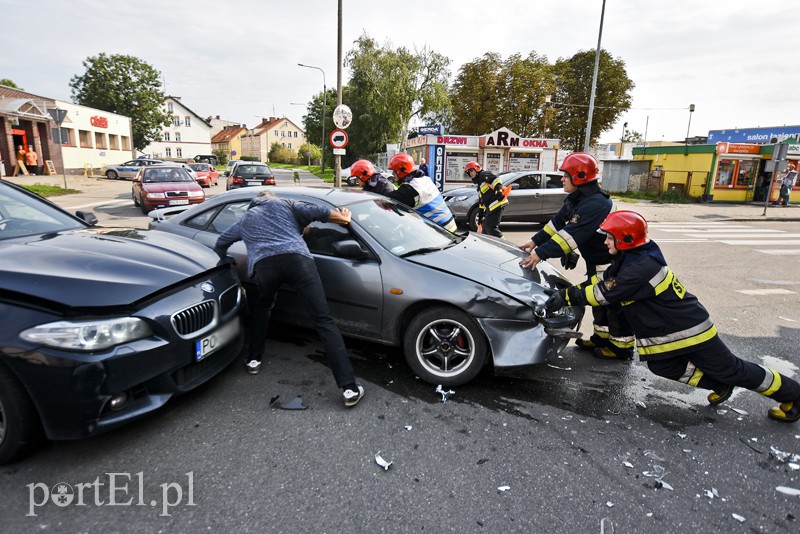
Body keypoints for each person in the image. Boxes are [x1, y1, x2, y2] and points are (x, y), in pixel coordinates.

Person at [544, 210, 800, 422]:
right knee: (662, 366)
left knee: (732, 369)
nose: (605, 242)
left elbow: (603, 293)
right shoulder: (631, 257)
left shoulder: (639, 268)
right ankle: (719, 384)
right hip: (671, 330)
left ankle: (792, 395)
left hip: (691, 330)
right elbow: (603, 282)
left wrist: (565, 297)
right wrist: (566, 291)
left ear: (625, 239)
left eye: (609, 238)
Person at [214, 190, 365, 407]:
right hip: (298, 262)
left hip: (265, 267)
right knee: (323, 320)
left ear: (255, 203)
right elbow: (321, 212)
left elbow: (221, 242)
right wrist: (344, 218)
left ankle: (254, 359)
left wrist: (225, 260)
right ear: (272, 197)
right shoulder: (285, 204)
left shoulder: (246, 218)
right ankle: (349, 388)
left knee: (263, 307)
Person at [519, 152, 634, 360]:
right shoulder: (578, 198)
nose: (562, 179)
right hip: (597, 260)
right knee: (600, 303)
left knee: (612, 303)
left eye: (566, 175)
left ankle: (620, 348)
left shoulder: (596, 204)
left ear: (579, 177)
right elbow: (557, 223)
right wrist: (536, 241)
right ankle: (601, 338)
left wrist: (540, 254)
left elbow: (570, 236)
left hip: (612, 263)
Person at [386, 152, 457, 233]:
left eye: (394, 171)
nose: (392, 174)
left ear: (401, 171)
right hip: (450, 227)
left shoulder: (411, 189)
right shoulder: (425, 179)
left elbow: (388, 198)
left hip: (440, 232)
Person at [464, 161, 508, 238]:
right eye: (469, 172)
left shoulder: (483, 174)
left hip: (497, 202)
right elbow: (482, 200)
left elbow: (496, 179)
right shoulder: (479, 183)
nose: (470, 173)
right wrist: (481, 213)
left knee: (490, 227)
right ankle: (489, 244)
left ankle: (502, 243)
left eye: (471, 171)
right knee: (484, 228)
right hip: (491, 207)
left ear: (477, 169)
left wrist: (499, 191)